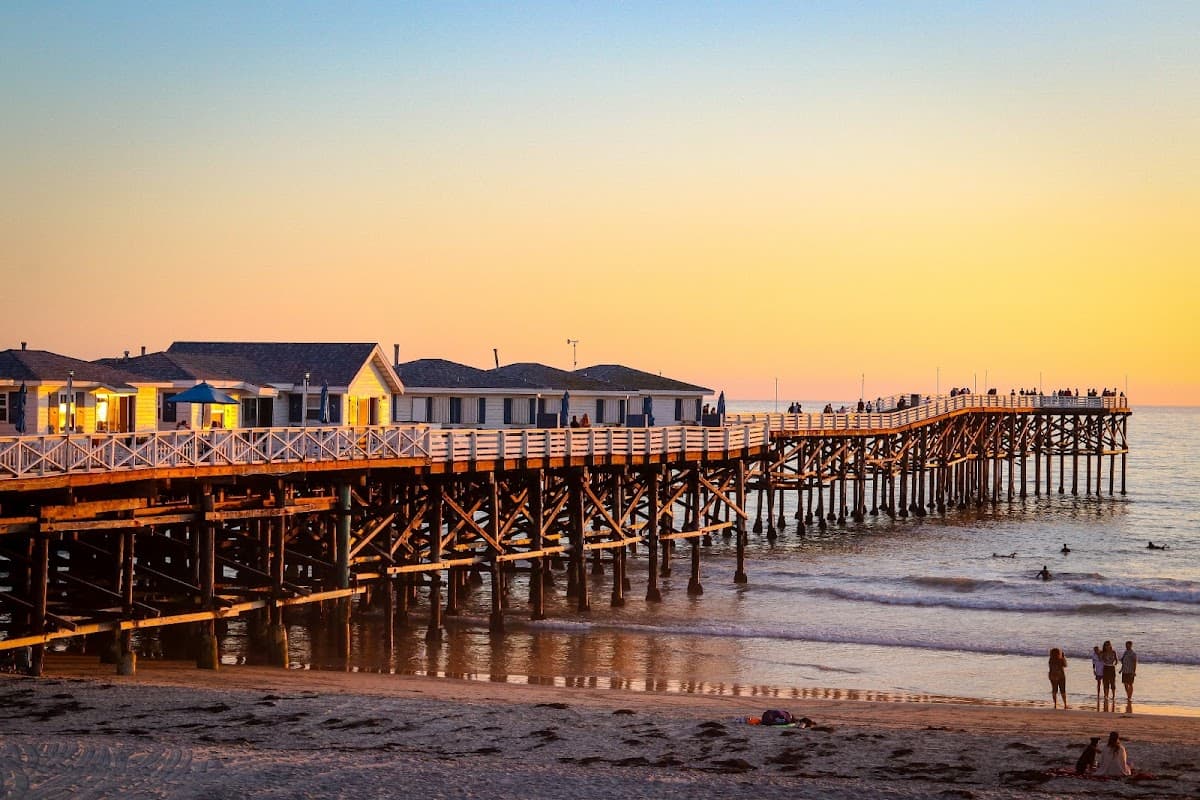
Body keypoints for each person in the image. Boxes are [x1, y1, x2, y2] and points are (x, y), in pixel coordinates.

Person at [1101, 640, 1119, 711]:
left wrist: (1115, 663)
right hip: (1105, 667)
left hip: (1111, 667)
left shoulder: (1113, 652)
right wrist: (1103, 658)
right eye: (1106, 645)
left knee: (1112, 682)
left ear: (1110, 645)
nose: (1107, 646)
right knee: (1106, 682)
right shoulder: (1103, 652)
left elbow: (1117, 660)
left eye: (1108, 645)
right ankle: (1106, 696)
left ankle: (1113, 696)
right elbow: (1100, 658)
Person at [1120, 641, 1137, 713]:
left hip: (1130, 671)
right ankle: (1128, 695)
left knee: (1130, 684)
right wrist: (1121, 669)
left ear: (1131, 646)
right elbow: (1122, 661)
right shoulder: (1125, 652)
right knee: (1125, 684)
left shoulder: (1133, 653)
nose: (1127, 646)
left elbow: (1135, 663)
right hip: (1124, 671)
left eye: (1128, 645)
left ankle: (1129, 697)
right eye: (1126, 645)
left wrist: (1134, 671)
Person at [1092, 645, 1105, 710]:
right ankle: (1098, 694)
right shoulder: (1094, 655)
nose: (1096, 651)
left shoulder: (1102, 653)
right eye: (1095, 650)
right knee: (1098, 683)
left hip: (1103, 670)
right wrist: (1093, 670)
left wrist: (1100, 655)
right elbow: (1093, 663)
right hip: (1098, 670)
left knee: (1104, 683)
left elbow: (1104, 660)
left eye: (1097, 650)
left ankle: (1105, 695)